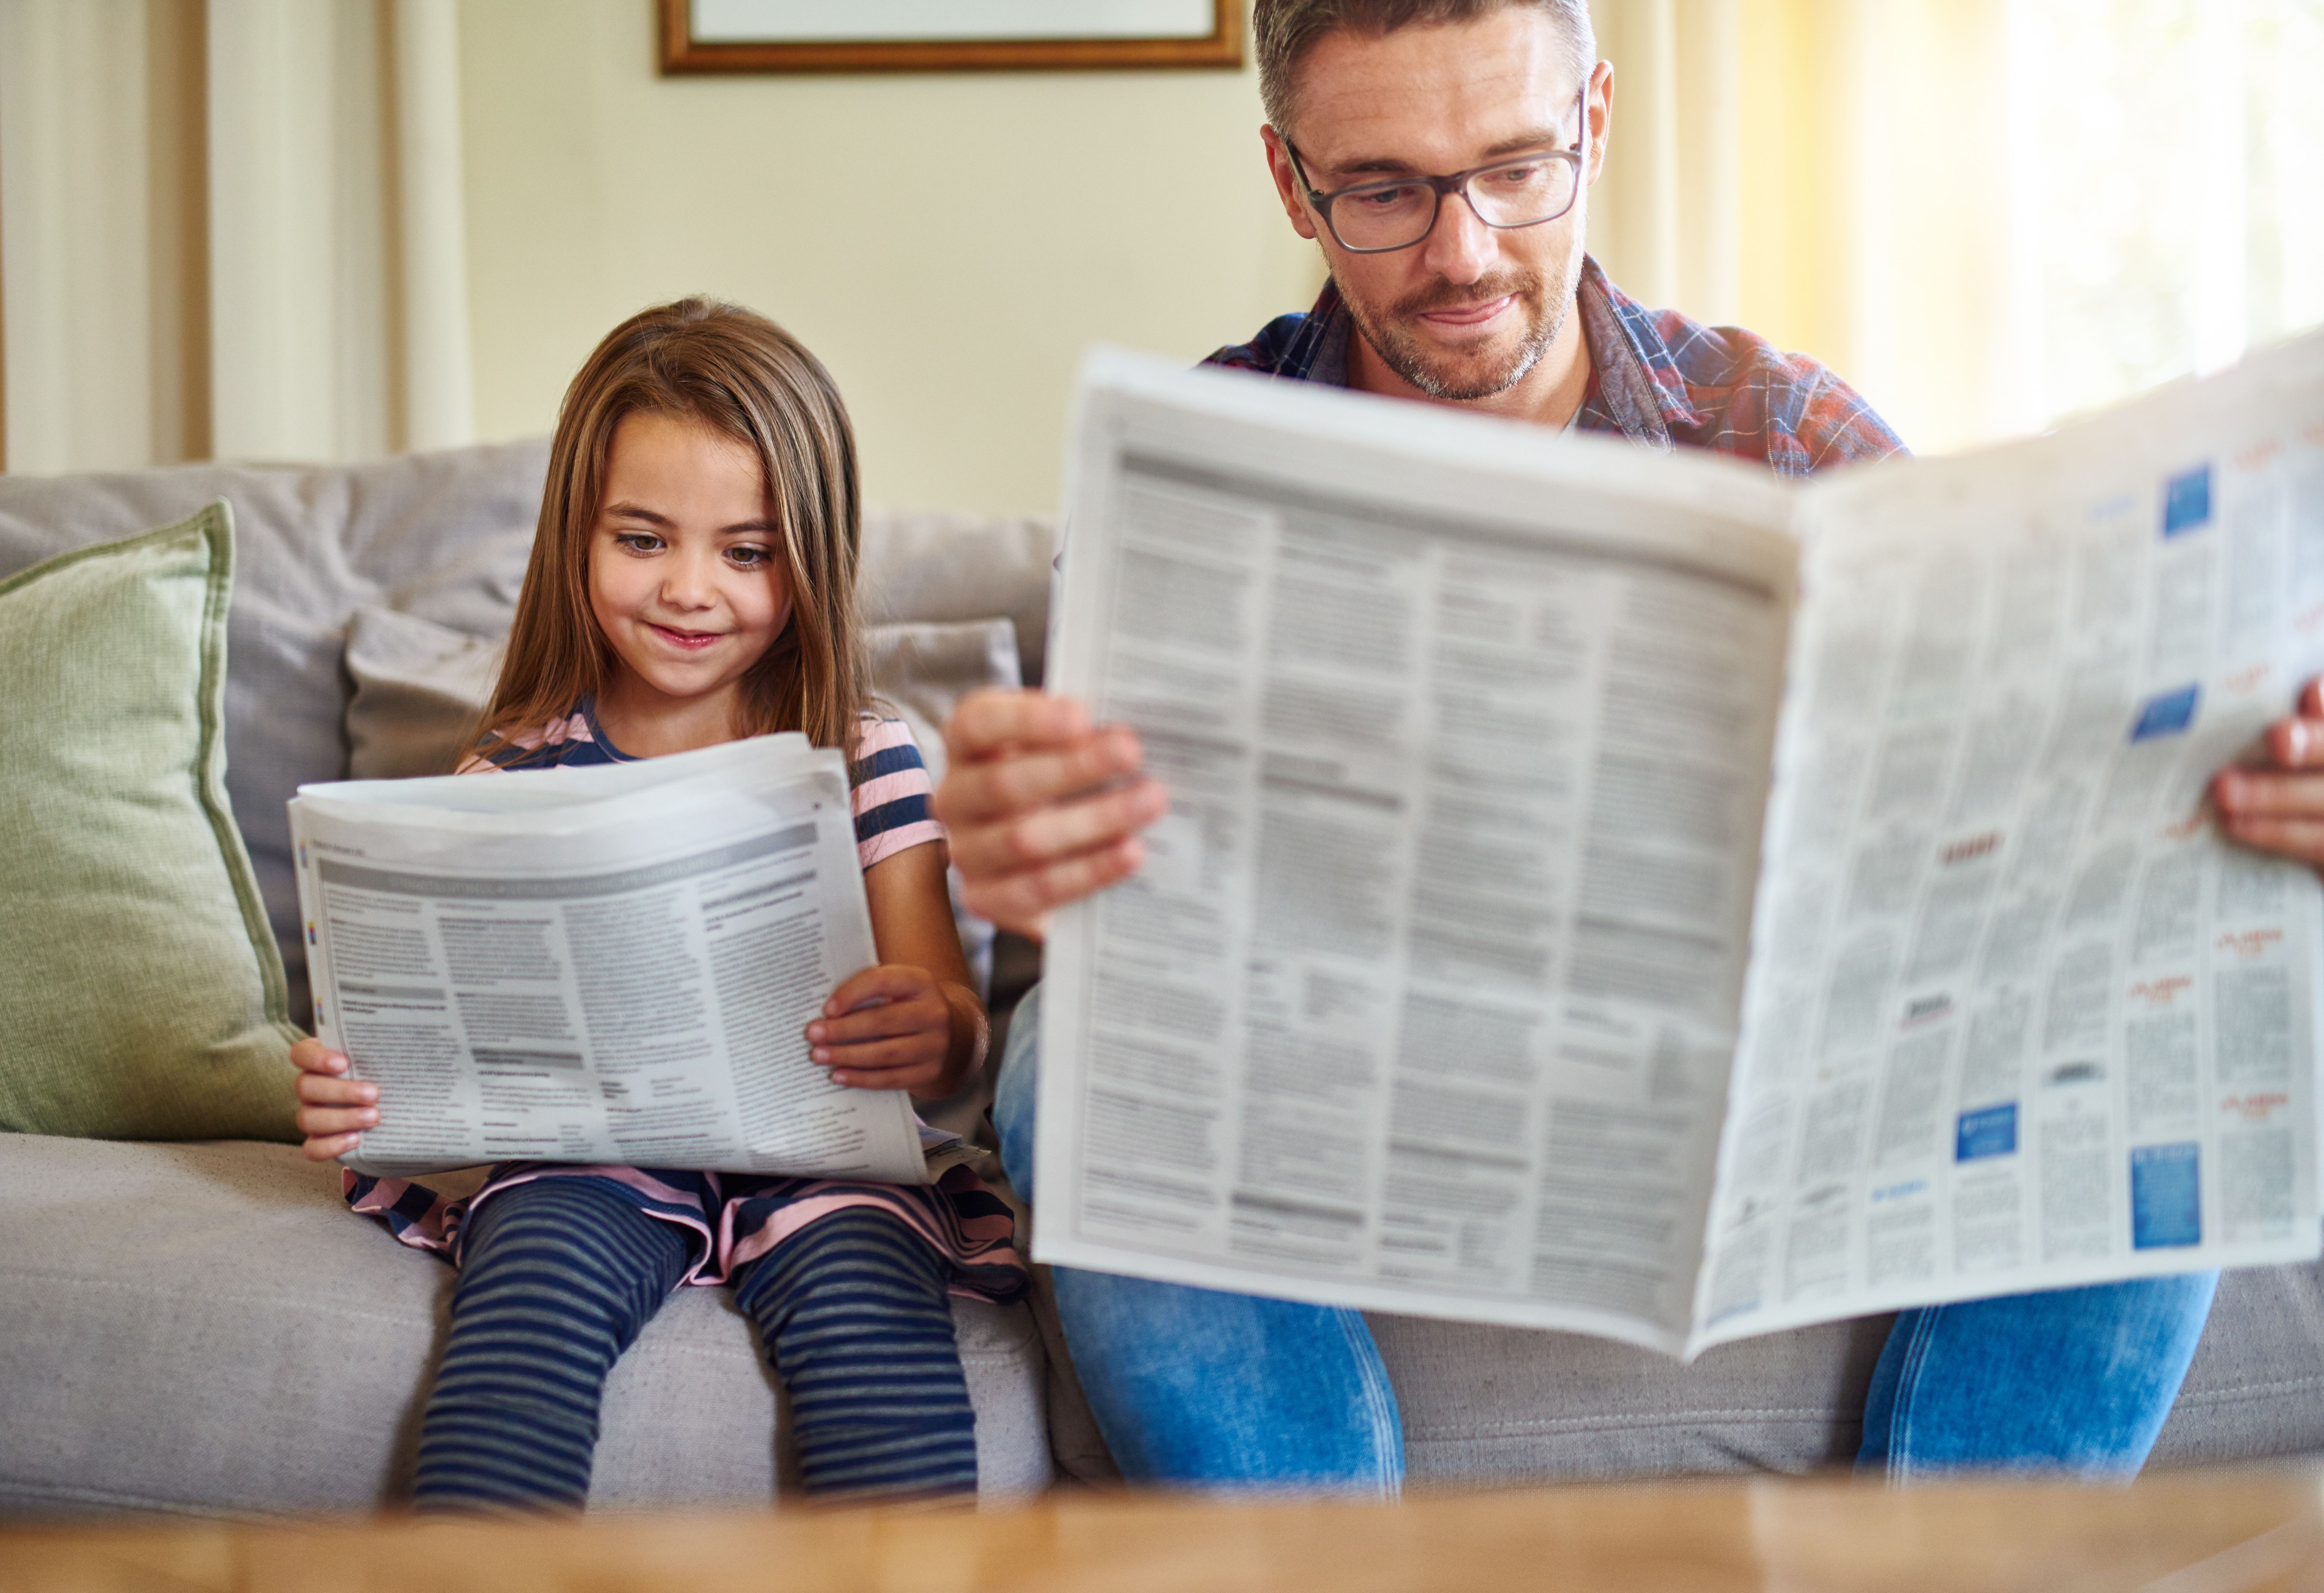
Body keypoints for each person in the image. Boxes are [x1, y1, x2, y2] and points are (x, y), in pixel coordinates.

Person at [934, 0, 2235, 1490]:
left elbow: (2026, 786)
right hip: (1358, 1082)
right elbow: (1110, 907)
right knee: (1065, 1057)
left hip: (1754, 1079)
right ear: (1291, 183)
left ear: (1595, 125)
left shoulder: (1781, 433)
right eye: (1382, 190)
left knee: (2154, 1010)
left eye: (1513, 168)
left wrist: (2208, 795)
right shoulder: (1188, 461)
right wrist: (1029, 882)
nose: (1462, 251)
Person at [289, 298, 1023, 1512]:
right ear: (575, 536)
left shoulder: (863, 754)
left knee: (878, 1349)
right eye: (643, 540)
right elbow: (439, 1055)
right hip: (591, 1159)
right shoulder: (510, 777)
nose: (691, 590)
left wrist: (933, 1028)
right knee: (517, 1337)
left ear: (811, 557)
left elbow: (951, 1026)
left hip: (824, 1155)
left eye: (746, 552)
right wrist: (359, 1090)